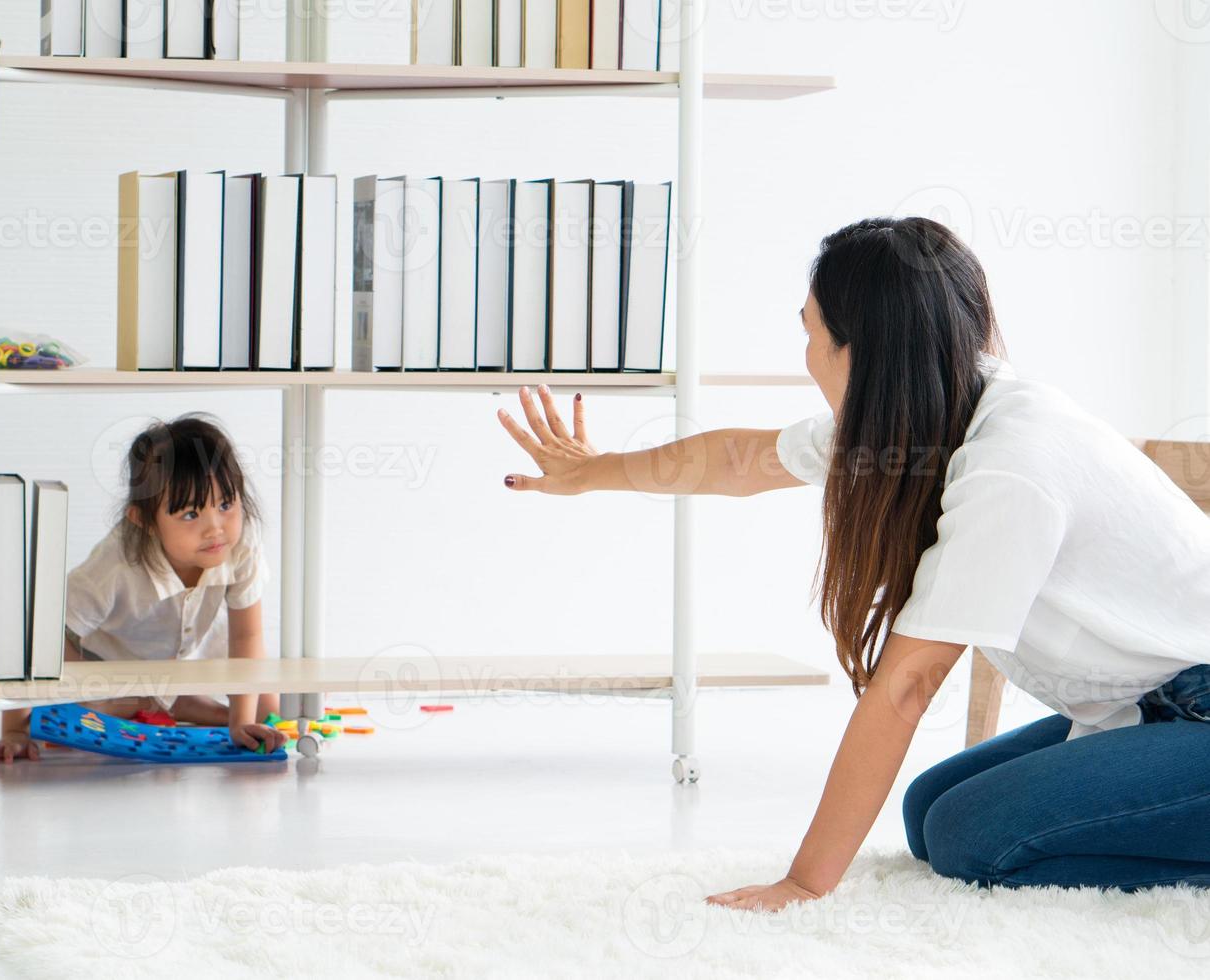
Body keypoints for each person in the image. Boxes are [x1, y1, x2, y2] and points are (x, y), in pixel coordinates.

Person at [497, 216, 1210, 909]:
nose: (805, 354)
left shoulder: (1009, 470)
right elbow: (741, 460)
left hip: (1194, 707)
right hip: (1154, 706)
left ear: (859, 349)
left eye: (809, 332)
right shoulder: (933, 410)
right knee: (932, 810)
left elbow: (908, 684)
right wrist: (593, 471)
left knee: (971, 839)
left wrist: (805, 882)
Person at [0, 412, 289, 763]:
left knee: (270, 708)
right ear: (144, 520)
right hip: (103, 661)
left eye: (226, 504)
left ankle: (169, 699)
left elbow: (247, 638)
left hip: (175, 655)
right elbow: (39, 635)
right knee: (84, 706)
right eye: (191, 515)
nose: (216, 529)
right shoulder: (117, 563)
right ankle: (146, 701)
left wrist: (240, 722)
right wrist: (14, 728)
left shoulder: (240, 544)